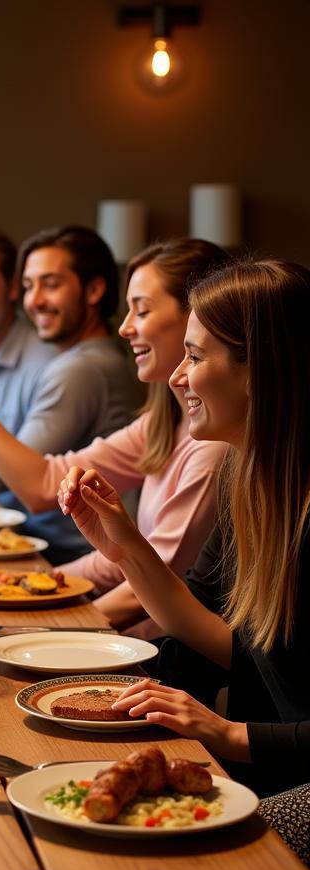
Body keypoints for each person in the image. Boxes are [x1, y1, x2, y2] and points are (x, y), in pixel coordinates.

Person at [58, 257, 310, 810]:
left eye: (194, 357)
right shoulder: (249, 480)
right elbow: (212, 630)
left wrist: (228, 734)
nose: (177, 376)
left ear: (260, 370)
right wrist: (126, 548)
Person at [0, 237, 230, 634]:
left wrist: (53, 626)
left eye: (143, 310)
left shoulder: (211, 444)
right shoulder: (164, 419)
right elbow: (121, 554)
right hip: (121, 620)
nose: (125, 327)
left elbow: (155, 581)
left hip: (154, 656)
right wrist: (15, 588)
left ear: (197, 319)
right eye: (29, 285)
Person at [0, 225, 141, 563]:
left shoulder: (81, 369)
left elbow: (28, 489)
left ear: (94, 290)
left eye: (50, 285)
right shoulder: (83, 360)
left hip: (72, 554)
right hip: (61, 546)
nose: (33, 301)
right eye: (29, 286)